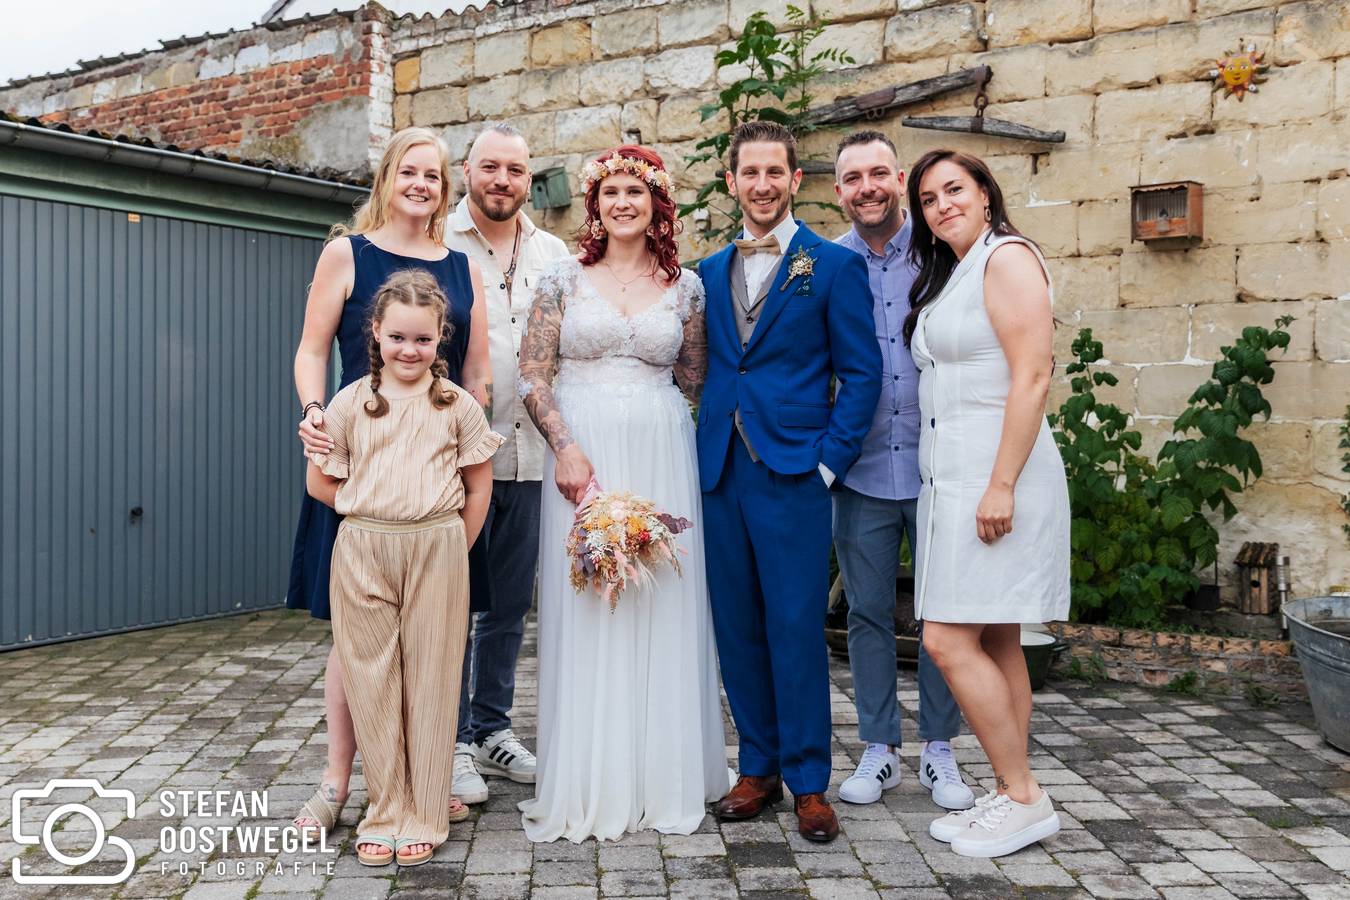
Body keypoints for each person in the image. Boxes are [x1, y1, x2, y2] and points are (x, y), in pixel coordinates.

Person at [516, 145, 730, 842]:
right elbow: (532, 374)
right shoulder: (561, 278)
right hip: (585, 456)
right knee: (589, 600)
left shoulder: (686, 288)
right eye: (610, 192)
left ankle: (662, 774)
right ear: (595, 204)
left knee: (662, 596)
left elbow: (697, 380)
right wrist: (566, 448)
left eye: (635, 191)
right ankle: (592, 776)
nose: (622, 203)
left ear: (656, 202)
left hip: (663, 450)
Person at [289, 127, 490, 835]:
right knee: (356, 642)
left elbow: (476, 372)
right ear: (387, 178)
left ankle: (420, 780)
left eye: (433, 175)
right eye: (409, 171)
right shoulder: (347, 253)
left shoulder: (462, 267)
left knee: (431, 641)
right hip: (360, 465)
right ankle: (339, 783)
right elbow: (311, 350)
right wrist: (315, 414)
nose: (420, 185)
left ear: (445, 188)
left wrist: (461, 443)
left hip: (434, 482)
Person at [696, 121, 881, 843]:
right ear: (732, 181)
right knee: (737, 627)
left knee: (797, 627)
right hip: (721, 470)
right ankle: (758, 768)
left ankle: (809, 782)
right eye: (750, 173)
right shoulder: (708, 271)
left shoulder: (831, 267)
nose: (763, 184)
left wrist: (829, 461)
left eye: (776, 172)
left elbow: (861, 374)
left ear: (795, 180)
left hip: (797, 470)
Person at [905, 149, 1070, 858]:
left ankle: (1025, 795)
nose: (942, 205)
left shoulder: (1007, 258)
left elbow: (1033, 376)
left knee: (946, 640)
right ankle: (1011, 793)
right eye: (928, 199)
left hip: (996, 478)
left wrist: (1001, 483)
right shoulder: (959, 270)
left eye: (954, 190)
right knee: (999, 638)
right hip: (956, 480)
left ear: (984, 194)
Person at [307, 269, 502, 866]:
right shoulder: (349, 403)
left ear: (441, 337)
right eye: (397, 337)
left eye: (422, 339)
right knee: (372, 679)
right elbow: (320, 483)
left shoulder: (458, 406)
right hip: (364, 550)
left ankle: (426, 807)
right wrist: (372, 509)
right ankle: (386, 807)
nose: (409, 350)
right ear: (375, 331)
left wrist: (452, 545)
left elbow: (478, 488)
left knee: (433, 677)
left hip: (437, 548)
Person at [831, 131, 974, 811]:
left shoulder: (943, 247)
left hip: (938, 462)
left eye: (879, 173)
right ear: (839, 191)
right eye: (853, 177)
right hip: (861, 467)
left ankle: (940, 748)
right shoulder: (829, 264)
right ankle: (880, 747)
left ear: (899, 178)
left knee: (944, 610)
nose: (868, 187)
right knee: (865, 610)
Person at [444, 123, 569, 804]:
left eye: (515, 170)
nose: (502, 180)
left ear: (529, 178)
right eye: (490, 167)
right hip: (457, 458)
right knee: (453, 602)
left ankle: (491, 728)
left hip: (529, 455)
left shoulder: (553, 252)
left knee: (510, 604)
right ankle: (452, 740)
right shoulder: (438, 242)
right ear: (467, 171)